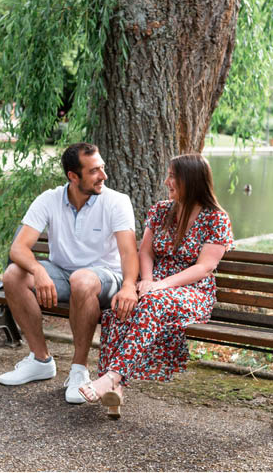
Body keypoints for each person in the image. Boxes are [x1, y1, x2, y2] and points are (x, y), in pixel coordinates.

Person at [79, 153, 234, 418]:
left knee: (151, 301)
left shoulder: (216, 218)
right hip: (156, 287)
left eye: (173, 177)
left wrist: (161, 285)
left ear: (191, 179)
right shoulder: (162, 210)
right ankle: (116, 391)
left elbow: (204, 267)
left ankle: (112, 376)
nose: (167, 181)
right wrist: (148, 280)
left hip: (192, 291)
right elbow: (146, 252)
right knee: (120, 306)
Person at [0, 142, 139, 404]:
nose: (103, 176)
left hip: (105, 278)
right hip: (62, 273)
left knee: (82, 279)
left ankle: (78, 371)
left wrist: (130, 286)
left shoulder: (117, 202)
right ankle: (41, 360)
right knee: (12, 275)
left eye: (102, 168)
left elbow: (129, 253)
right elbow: (18, 248)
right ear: (73, 176)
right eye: (94, 171)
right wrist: (38, 271)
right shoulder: (49, 199)